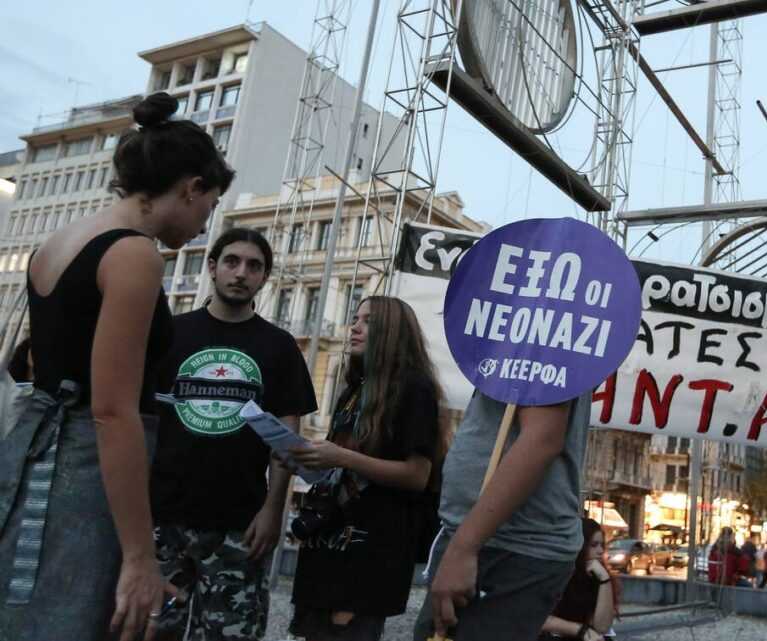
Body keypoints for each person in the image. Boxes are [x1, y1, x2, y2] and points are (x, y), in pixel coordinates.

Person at [0, 91, 231, 641]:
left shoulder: (59, 241)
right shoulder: (133, 254)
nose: (204, 224)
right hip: (86, 471)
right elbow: (112, 410)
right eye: (210, 206)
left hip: (33, 453)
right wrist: (139, 557)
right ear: (191, 187)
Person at [150, 227, 318, 641]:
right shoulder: (170, 334)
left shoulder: (279, 347)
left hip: (239, 525)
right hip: (163, 519)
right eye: (231, 261)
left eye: (254, 266)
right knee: (149, 631)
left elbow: (286, 440)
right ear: (212, 267)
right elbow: (143, 424)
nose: (241, 273)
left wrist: (274, 511)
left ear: (264, 278)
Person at [286, 296, 446, 641]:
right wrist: (306, 459)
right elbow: (339, 467)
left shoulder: (414, 388)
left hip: (371, 553)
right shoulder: (354, 390)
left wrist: (342, 457)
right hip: (326, 543)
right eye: (355, 318)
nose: (354, 327)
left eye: (368, 321)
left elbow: (417, 475)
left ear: (392, 331)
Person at [410, 387, 593, 641]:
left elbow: (541, 438)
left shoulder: (540, 356)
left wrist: (463, 548)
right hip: (487, 538)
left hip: (506, 545)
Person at [539, 518, 617, 641]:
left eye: (602, 545)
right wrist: (580, 630)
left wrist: (604, 580)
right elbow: (537, 618)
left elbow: (602, 627)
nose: (601, 551)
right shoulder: (557, 574)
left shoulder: (595, 576)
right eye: (593, 545)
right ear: (580, 546)